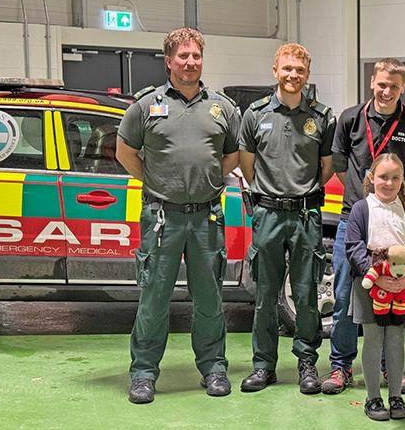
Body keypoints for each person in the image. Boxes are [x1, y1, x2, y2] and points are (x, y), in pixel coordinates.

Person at [117, 27, 241, 404]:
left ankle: (214, 367)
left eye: (196, 56)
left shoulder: (222, 108)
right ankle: (142, 373)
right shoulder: (145, 105)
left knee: (209, 299)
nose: (190, 62)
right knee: (154, 298)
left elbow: (232, 156)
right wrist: (159, 182)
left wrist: (205, 181)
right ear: (169, 60)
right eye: (183, 56)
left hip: (207, 218)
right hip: (161, 219)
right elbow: (125, 153)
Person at [322, 58, 405, 395]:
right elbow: (340, 164)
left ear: (403, 88)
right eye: (382, 84)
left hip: (396, 223)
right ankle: (341, 367)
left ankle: (389, 366)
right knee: (344, 297)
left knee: (394, 291)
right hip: (353, 220)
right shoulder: (350, 119)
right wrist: (365, 200)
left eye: (394, 86)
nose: (386, 91)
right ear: (372, 82)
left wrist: (394, 206)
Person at [238, 43, 335, 394]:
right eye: (287, 68)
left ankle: (307, 363)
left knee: (306, 294)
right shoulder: (255, 114)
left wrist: (300, 191)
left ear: (307, 74)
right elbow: (247, 164)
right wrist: (270, 192)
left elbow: (325, 169)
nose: (293, 75)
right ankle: (264, 366)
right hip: (268, 215)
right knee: (265, 294)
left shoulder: (322, 118)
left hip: (306, 215)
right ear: (275, 70)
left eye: (300, 70)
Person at [345, 153, 405, 421]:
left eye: (395, 178)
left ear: (403, 180)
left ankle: (395, 395)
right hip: (370, 284)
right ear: (371, 178)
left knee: (395, 341)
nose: (389, 183)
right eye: (383, 177)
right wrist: (376, 275)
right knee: (372, 341)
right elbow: (353, 246)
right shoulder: (361, 209)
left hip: (403, 286)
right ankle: (373, 398)